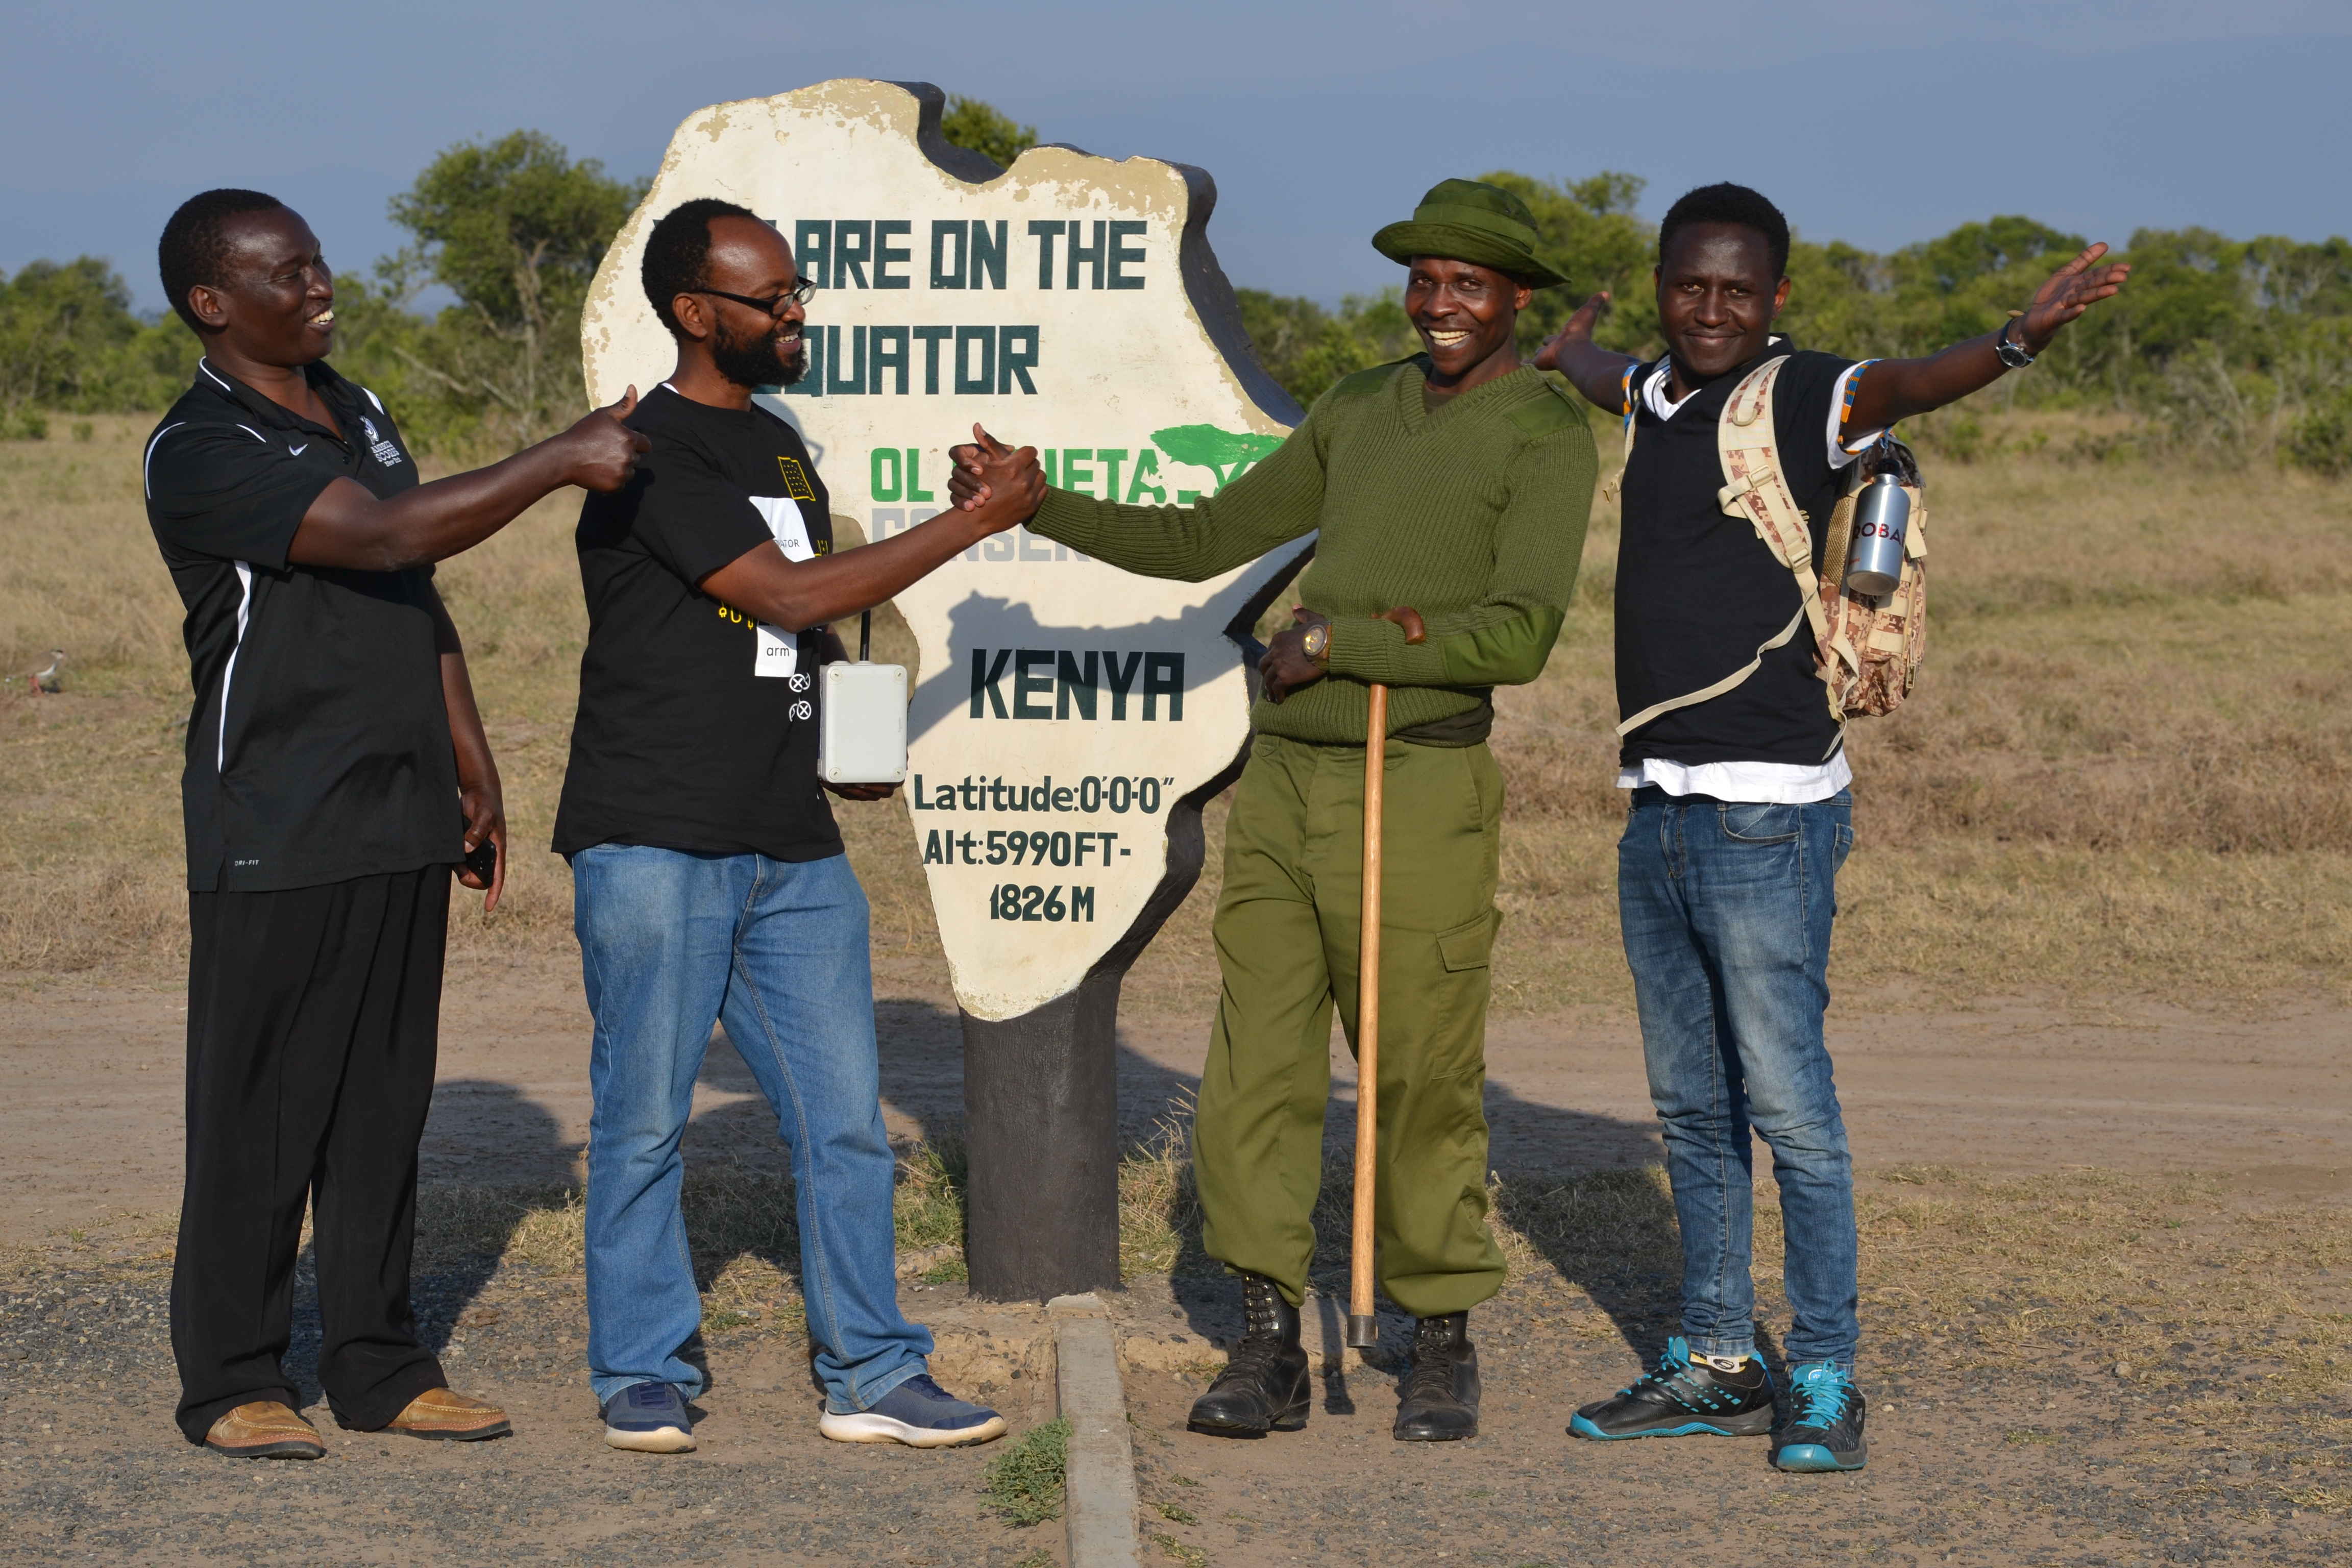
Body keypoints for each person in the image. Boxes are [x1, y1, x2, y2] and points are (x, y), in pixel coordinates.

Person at [950, 180, 1598, 1442]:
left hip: (1414, 779)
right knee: (1255, 1070)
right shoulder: (1358, 406)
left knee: (1418, 1070)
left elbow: (1520, 631)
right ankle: (1266, 1340)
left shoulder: (1544, 429)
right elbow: (1206, 538)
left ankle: (1438, 1333)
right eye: (1424, 280)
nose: (1441, 304)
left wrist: (1342, 638)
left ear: (1518, 299)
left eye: (1469, 283)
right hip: (1291, 778)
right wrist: (1042, 508)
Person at [1538, 183, 2127, 1473]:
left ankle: (1821, 1374)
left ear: (1776, 302)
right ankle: (1715, 1360)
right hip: (1662, 807)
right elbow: (1601, 374)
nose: (1711, 309)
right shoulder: (1654, 393)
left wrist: (2018, 340)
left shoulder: (1802, 394)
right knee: (1693, 1109)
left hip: (1767, 813)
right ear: (1659, 285)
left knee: (1790, 1113)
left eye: (1736, 291)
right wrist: (1563, 340)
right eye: (1689, 285)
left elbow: (1911, 385)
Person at [143, 188, 648, 1459]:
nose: (321, 284)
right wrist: (558, 457)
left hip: (396, 805)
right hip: (276, 816)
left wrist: (469, 761)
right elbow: (377, 535)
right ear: (215, 303)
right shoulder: (200, 446)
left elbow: (413, 592)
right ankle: (234, 1380)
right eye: (289, 271)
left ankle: (378, 1364)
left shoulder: (356, 405)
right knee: (259, 1111)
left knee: (381, 1105)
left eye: (318, 262)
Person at [554, 199, 1043, 1454]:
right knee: (647, 1115)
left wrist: (844, 728)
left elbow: (800, 628)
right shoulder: (643, 451)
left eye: (799, 292)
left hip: (788, 839)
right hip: (657, 830)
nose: (796, 315)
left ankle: (873, 1370)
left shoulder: (780, 445)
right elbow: (779, 586)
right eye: (770, 299)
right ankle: (642, 1369)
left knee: (843, 1120)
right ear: (693, 312)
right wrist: (973, 526)